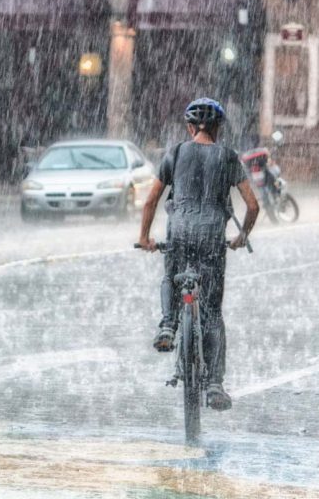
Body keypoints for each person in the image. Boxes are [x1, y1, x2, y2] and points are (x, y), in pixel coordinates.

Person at [137, 97, 259, 411]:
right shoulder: (228, 157)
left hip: (179, 233)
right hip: (211, 238)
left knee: (171, 275)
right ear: (218, 128)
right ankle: (215, 384)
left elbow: (150, 201)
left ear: (190, 127)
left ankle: (168, 324)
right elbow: (253, 205)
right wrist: (241, 236)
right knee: (212, 314)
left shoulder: (175, 153)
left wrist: (144, 237)